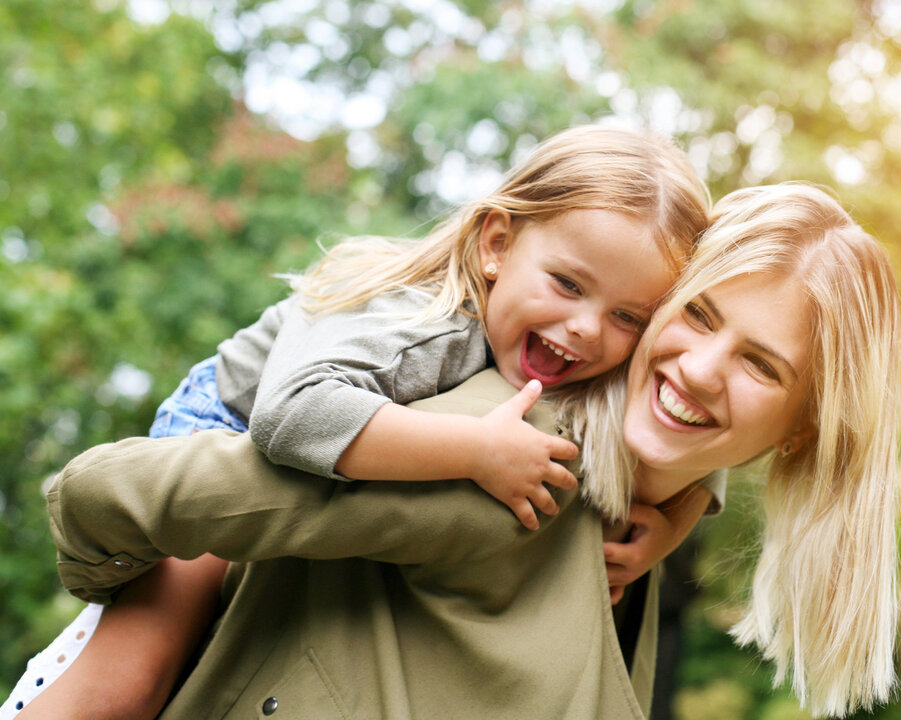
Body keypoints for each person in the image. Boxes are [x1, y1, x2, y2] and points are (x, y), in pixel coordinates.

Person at [38, 182, 901, 718]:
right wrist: (116, 581)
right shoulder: (507, 454)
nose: (702, 369)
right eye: (701, 316)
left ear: (801, 430)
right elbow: (115, 491)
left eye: (760, 364)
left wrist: (681, 512)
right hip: (243, 411)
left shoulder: (636, 522)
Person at [1, 123, 714, 719]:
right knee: (134, 677)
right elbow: (292, 415)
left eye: (629, 317)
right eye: (567, 284)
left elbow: (699, 428)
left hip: (329, 447)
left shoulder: (577, 353)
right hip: (231, 422)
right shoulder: (418, 325)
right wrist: (473, 450)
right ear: (496, 244)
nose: (587, 329)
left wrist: (677, 519)